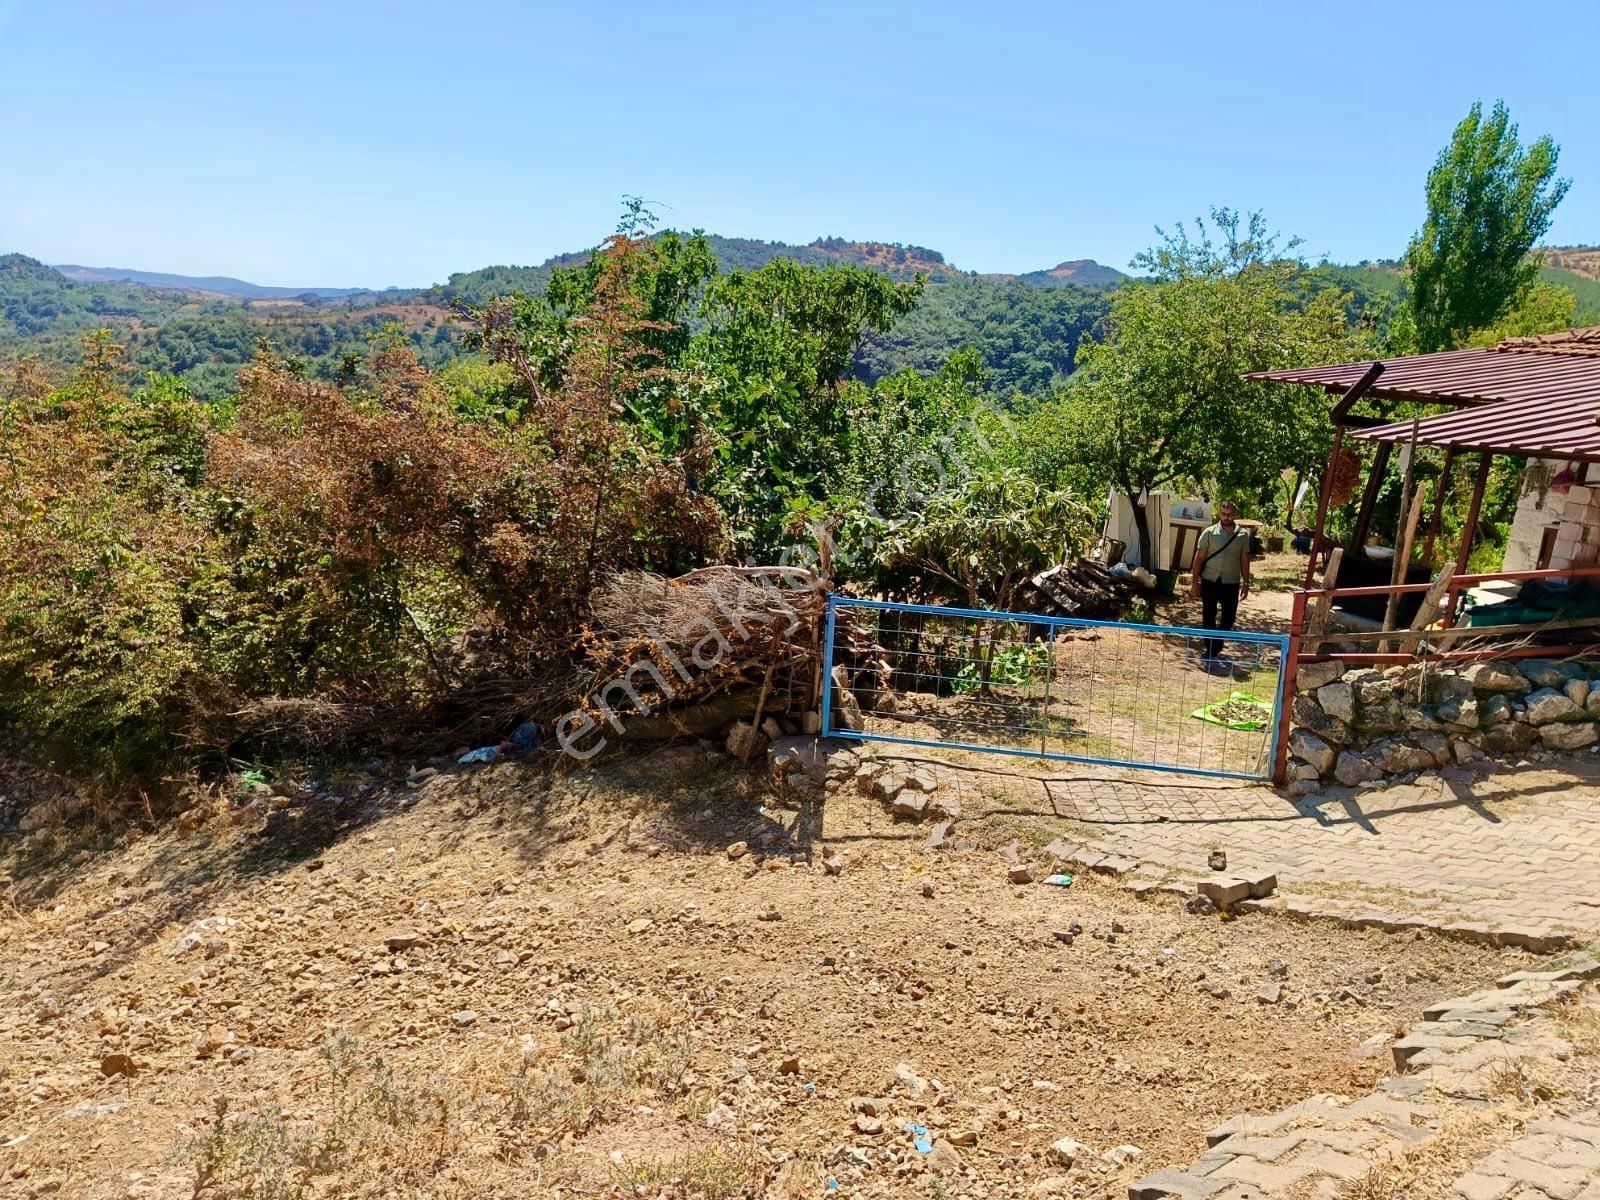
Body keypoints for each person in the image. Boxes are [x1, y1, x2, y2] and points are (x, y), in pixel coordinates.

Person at [1189, 501, 1251, 665]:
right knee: (1208, 615)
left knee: (1229, 618)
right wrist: (1194, 582)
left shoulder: (1243, 535)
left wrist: (1246, 583)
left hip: (1231, 582)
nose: (1227, 517)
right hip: (1210, 580)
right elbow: (1199, 558)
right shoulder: (1209, 533)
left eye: (1230, 514)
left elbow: (1244, 559)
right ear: (1219, 514)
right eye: (1224, 514)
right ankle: (1210, 648)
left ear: (1235, 514)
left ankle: (1218, 642)